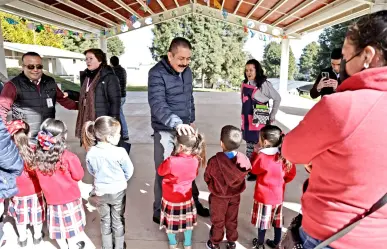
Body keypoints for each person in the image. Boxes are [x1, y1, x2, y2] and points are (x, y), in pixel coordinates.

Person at [282, 11, 387, 249]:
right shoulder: (326, 77)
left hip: (331, 235)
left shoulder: (346, 105)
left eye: (346, 57)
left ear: (367, 56)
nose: (340, 66)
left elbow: (290, 150)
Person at [148, 37, 209, 223]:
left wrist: (190, 120)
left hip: (184, 126)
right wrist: (176, 123)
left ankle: (193, 201)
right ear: (170, 55)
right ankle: (159, 209)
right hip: (165, 130)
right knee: (164, 170)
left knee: (188, 168)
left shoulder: (187, 72)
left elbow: (189, 98)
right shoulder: (156, 73)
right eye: (181, 59)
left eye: (188, 59)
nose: (185, 63)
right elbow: (157, 103)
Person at [82, 116, 134, 249]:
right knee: (118, 219)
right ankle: (119, 245)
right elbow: (129, 170)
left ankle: (107, 246)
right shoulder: (120, 152)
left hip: (101, 191)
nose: (120, 136)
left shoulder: (91, 152)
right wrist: (121, 180)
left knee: (105, 220)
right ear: (109, 137)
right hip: (118, 191)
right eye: (118, 134)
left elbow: (92, 170)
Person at [33, 118, 86, 249]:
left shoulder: (37, 157)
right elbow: (78, 176)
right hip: (70, 199)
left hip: (52, 201)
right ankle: (74, 246)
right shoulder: (69, 157)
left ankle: (63, 247)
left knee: (59, 231)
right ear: (63, 136)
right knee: (71, 230)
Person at [0, 52, 78, 140]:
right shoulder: (12, 85)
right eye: (31, 66)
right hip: (25, 137)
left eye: (39, 66)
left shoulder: (50, 82)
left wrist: (82, 107)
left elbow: (63, 100)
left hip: (47, 135)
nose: (35, 69)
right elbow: (1, 109)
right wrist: (3, 133)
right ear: (23, 67)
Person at [204, 125, 251, 249]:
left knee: (218, 221)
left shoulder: (214, 161)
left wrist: (212, 186)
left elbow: (207, 176)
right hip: (235, 196)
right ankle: (231, 241)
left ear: (221, 143)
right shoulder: (244, 160)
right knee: (232, 219)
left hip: (218, 197)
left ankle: (215, 242)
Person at [158, 132, 206, 249]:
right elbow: (194, 174)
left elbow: (160, 171)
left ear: (180, 147)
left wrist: (170, 155)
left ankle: (173, 243)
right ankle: (187, 244)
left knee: (170, 224)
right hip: (186, 197)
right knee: (187, 223)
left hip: (170, 198)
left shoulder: (171, 160)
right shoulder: (196, 160)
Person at [250, 125, 295, 249]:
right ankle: (276, 242)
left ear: (264, 142)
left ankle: (259, 244)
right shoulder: (284, 157)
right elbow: (291, 174)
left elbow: (254, 170)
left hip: (264, 198)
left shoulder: (262, 157)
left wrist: (255, 153)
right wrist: (282, 182)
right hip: (278, 196)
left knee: (263, 223)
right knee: (277, 222)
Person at [5, 120, 44, 247]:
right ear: (28, 134)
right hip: (35, 191)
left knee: (20, 218)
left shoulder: (7, 154)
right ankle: (37, 237)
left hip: (17, 193)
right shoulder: (34, 150)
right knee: (37, 215)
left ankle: (22, 239)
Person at [241, 59, 281, 181]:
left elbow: (277, 98)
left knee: (259, 147)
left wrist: (272, 115)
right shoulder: (244, 83)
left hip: (259, 121)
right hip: (247, 121)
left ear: (257, 71)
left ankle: (259, 169)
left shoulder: (264, 85)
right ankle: (250, 170)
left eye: (251, 70)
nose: (248, 72)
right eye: (247, 70)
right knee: (249, 146)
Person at [110, 56, 129, 141]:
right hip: (123, 96)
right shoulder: (123, 70)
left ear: (111, 62)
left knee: (119, 115)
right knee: (118, 114)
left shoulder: (113, 71)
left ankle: (124, 134)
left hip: (117, 96)